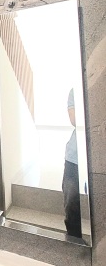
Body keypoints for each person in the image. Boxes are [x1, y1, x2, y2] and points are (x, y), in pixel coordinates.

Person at [62, 88, 82, 238]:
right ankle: (73, 240)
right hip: (74, 157)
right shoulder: (76, 90)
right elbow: (75, 120)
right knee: (71, 203)